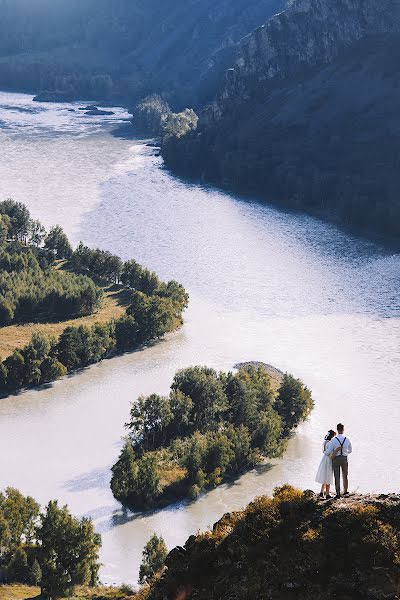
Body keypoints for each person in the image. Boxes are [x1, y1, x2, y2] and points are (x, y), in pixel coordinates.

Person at [325, 423, 352, 498]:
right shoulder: (347, 439)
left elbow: (329, 451)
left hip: (336, 459)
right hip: (344, 458)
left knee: (337, 476)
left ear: (337, 429)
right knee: (345, 475)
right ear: (343, 430)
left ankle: (338, 493)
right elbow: (350, 450)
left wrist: (325, 452)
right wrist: (344, 452)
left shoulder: (333, 440)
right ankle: (346, 491)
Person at [315, 429, 336, 498]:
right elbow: (329, 452)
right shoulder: (331, 443)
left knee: (324, 476)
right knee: (328, 476)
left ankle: (321, 492)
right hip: (329, 459)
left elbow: (324, 451)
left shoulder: (324, 442)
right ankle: (327, 494)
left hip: (324, 459)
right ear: (332, 436)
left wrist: (326, 453)